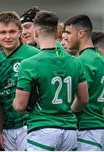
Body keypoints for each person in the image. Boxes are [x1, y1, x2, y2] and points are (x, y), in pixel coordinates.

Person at [13, 10, 88, 151]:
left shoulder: (29, 64)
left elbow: (20, 106)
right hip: (70, 131)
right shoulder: (75, 62)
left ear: (36, 32)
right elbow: (83, 99)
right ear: (57, 33)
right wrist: (66, 110)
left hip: (42, 130)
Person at [0, 11, 40, 151]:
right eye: (3, 32)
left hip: (31, 126)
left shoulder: (35, 55)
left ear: (20, 32)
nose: (7, 36)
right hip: (7, 130)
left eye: (12, 31)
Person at [64, 14, 104, 151]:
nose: (66, 37)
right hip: (99, 127)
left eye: (68, 33)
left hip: (87, 129)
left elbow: (81, 99)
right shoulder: (100, 59)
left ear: (81, 33)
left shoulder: (82, 61)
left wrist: (67, 113)